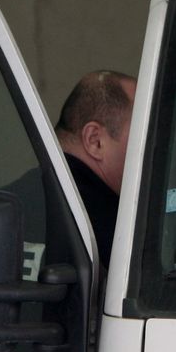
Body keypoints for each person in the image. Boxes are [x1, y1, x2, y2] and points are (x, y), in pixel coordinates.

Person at [54, 69, 136, 268]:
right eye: (141, 133)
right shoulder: (119, 230)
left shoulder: (9, 206)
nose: (153, 147)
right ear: (95, 140)